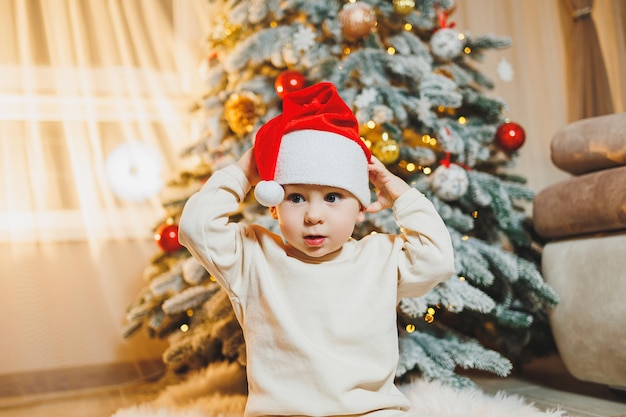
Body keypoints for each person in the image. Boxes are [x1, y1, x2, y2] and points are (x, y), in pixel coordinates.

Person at [179, 82, 456, 417]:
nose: (313, 216)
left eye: (332, 197)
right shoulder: (253, 256)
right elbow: (196, 226)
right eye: (296, 198)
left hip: (370, 410)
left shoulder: (378, 257)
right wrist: (245, 171)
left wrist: (402, 195)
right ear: (273, 206)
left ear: (359, 206)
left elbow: (438, 258)